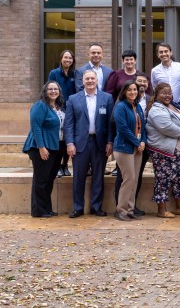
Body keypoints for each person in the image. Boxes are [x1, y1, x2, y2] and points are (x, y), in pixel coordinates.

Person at [64, 70, 114, 218]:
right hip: (80, 143)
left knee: (98, 176)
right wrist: (70, 143)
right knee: (78, 177)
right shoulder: (73, 99)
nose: (90, 81)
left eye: (93, 78)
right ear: (82, 81)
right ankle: (78, 207)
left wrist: (110, 141)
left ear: (97, 80)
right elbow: (68, 124)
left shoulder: (107, 98)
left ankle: (96, 207)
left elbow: (110, 123)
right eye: (87, 79)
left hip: (100, 143)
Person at [146, 82, 180, 218]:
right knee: (163, 179)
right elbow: (166, 127)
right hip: (163, 150)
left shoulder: (177, 106)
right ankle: (161, 210)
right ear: (157, 94)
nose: (167, 95)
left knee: (179, 178)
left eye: (169, 93)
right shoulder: (156, 109)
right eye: (164, 93)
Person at [23, 82, 65, 217]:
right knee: (41, 181)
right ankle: (38, 211)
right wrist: (41, 147)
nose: (53, 91)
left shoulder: (59, 107)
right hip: (41, 147)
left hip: (55, 147)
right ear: (45, 91)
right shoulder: (40, 105)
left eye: (56, 89)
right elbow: (36, 127)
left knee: (49, 179)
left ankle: (46, 209)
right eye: (50, 89)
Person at [113, 73, 152, 217]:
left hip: (138, 148)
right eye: (129, 90)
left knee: (134, 180)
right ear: (124, 91)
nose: (133, 92)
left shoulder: (137, 106)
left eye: (135, 90)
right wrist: (137, 142)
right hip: (124, 148)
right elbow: (123, 129)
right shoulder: (120, 107)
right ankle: (121, 210)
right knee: (128, 179)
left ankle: (130, 210)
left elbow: (143, 126)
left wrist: (143, 142)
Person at [48, 49, 76, 178]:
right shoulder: (54, 73)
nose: (68, 60)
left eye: (70, 58)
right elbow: (50, 89)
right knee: (59, 138)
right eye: (66, 58)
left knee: (67, 138)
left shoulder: (74, 74)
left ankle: (65, 164)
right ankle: (58, 165)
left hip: (70, 110)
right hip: (59, 109)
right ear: (61, 59)